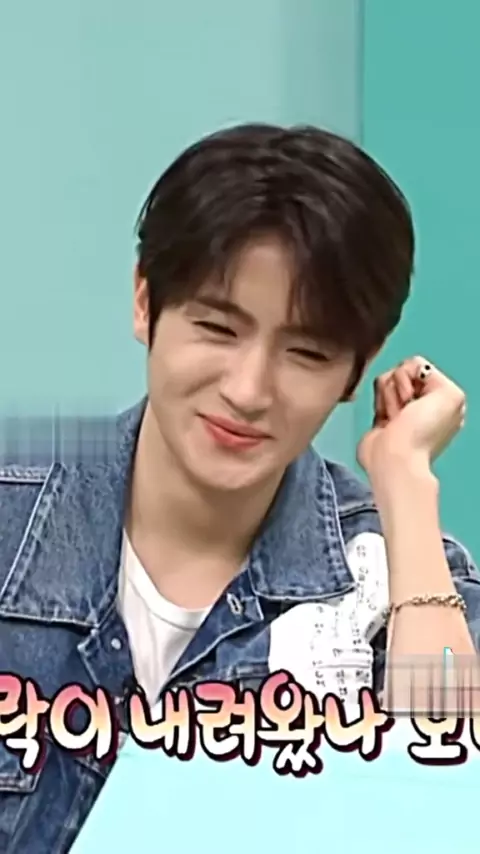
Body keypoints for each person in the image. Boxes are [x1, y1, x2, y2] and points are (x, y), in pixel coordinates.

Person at [0, 123, 478, 853]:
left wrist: (406, 485)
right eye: (218, 329)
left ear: (358, 367)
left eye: (306, 352)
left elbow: (444, 801)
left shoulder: (395, 579)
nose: (249, 391)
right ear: (145, 302)